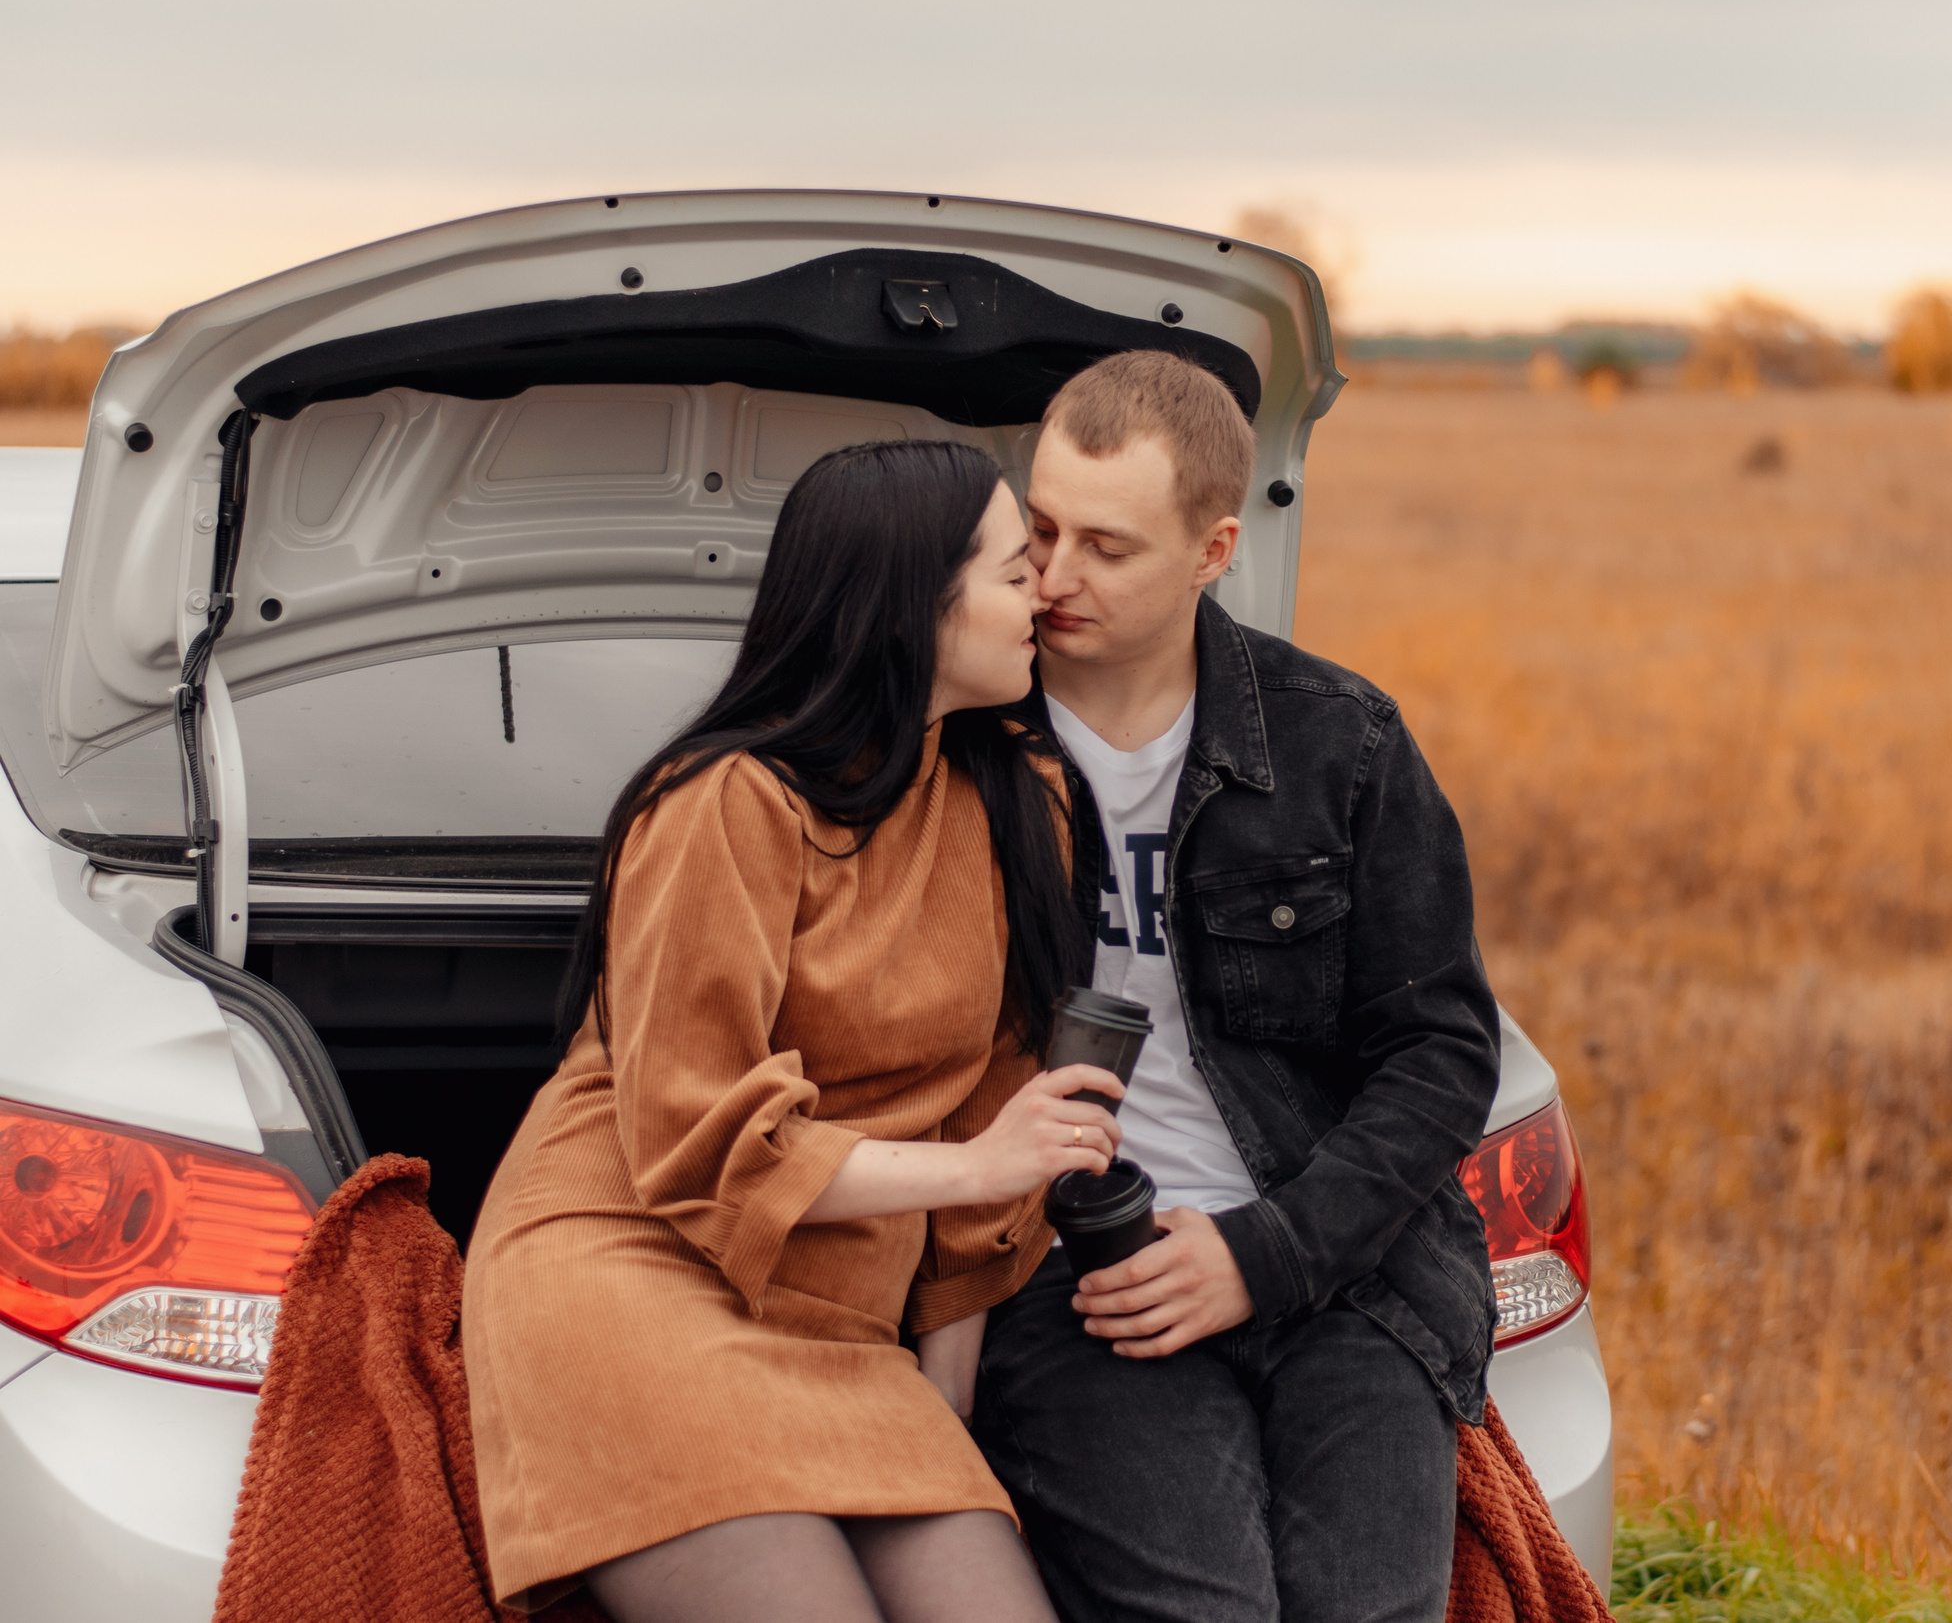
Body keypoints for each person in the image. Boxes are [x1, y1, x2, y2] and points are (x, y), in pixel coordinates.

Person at [462, 439, 1130, 1623]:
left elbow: (987, 1172)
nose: (1045, 589)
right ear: (907, 600)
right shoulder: (724, 802)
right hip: (633, 1272)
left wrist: (941, 1415)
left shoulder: (1022, 800)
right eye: (1011, 566)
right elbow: (693, 1137)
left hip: (844, 1319)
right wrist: (982, 1162)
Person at [972, 351, 1502, 1623]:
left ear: (1214, 549)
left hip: (1338, 1262)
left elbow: (1439, 1051)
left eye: (1107, 545)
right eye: (1039, 528)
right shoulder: (967, 739)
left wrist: (1261, 1256)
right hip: (1078, 1269)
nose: (1052, 577)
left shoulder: (1341, 742)